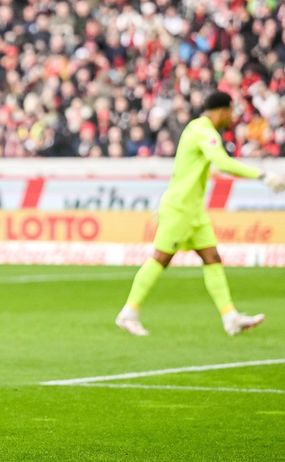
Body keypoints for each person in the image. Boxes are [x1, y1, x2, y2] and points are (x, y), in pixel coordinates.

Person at [116, 91, 285, 336]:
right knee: (161, 258)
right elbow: (223, 163)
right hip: (180, 209)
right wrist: (262, 175)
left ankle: (230, 318)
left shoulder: (200, 130)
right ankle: (128, 313)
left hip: (193, 209)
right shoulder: (202, 131)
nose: (232, 116)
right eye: (230, 111)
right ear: (222, 111)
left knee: (212, 257)